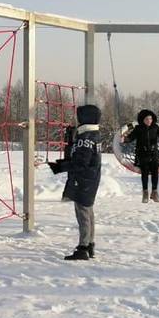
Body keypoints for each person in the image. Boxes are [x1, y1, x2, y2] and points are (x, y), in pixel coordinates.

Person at [49, 104, 102, 261]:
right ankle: (90, 244)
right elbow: (78, 155)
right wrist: (71, 139)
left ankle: (83, 247)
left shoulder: (85, 138)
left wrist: (59, 166)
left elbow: (80, 162)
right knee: (88, 211)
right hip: (91, 179)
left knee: (83, 213)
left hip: (83, 180)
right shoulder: (93, 134)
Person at [122, 109, 159, 203]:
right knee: (144, 172)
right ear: (142, 120)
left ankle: (154, 192)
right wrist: (124, 139)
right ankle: (145, 192)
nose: (149, 121)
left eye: (150, 119)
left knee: (155, 172)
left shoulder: (155, 127)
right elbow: (131, 138)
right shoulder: (138, 128)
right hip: (142, 154)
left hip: (154, 154)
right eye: (146, 119)